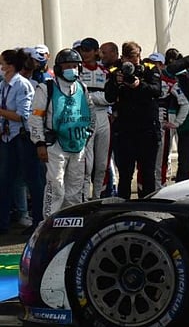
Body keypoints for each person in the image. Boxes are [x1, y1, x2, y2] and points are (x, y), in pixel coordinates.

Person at [29, 49, 93, 218]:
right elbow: (35, 118)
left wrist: (88, 134)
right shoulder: (46, 88)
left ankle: (71, 223)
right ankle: (49, 223)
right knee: (55, 186)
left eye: (75, 66)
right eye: (67, 66)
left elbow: (90, 111)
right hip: (55, 145)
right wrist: (40, 143)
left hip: (78, 144)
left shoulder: (82, 88)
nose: (72, 69)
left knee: (75, 188)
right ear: (58, 68)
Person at [104, 41, 162, 199]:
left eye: (135, 57)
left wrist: (139, 84)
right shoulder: (115, 71)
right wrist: (116, 82)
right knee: (125, 174)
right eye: (129, 57)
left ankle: (149, 207)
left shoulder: (149, 69)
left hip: (147, 128)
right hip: (125, 130)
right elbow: (108, 97)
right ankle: (123, 209)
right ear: (123, 58)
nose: (132, 61)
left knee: (148, 173)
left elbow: (157, 91)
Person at [0, 49, 44, 235]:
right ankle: (2, 223)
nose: (1, 66)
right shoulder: (3, 85)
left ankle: (38, 221)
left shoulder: (22, 85)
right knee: (5, 179)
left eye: (2, 63)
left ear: (10, 65)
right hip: (6, 136)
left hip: (22, 137)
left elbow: (22, 115)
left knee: (32, 179)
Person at [75, 37, 113, 200]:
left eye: (89, 50)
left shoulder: (105, 72)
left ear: (96, 51)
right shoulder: (77, 71)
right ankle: (84, 197)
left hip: (103, 115)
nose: (85, 53)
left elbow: (110, 98)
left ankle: (97, 196)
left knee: (102, 163)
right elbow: (77, 96)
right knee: (86, 162)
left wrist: (91, 96)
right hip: (84, 116)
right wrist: (97, 97)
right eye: (83, 50)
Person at [153, 50, 189, 189]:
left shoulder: (170, 82)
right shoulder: (144, 79)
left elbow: (185, 103)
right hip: (146, 125)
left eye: (158, 64)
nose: (155, 67)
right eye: (152, 64)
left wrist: (176, 122)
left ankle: (160, 188)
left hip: (162, 124)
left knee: (161, 159)